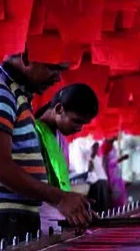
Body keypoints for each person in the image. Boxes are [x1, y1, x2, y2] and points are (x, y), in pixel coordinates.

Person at [0, 52, 92, 251]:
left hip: (9, 217)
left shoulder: (16, 94)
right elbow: (0, 168)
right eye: (52, 68)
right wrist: (60, 199)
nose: (58, 78)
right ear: (26, 58)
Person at [32, 83, 100, 233]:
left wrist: (78, 209)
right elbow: (31, 184)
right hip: (39, 221)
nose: (79, 128)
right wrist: (64, 202)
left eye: (83, 124)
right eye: (76, 121)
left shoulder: (60, 137)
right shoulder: (33, 134)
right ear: (59, 109)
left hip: (55, 219)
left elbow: (60, 185)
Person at [100, 136, 129, 208]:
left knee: (120, 195)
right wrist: (108, 182)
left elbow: (112, 161)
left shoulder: (112, 146)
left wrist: (121, 159)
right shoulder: (105, 147)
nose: (117, 135)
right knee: (115, 196)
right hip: (111, 177)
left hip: (116, 176)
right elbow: (104, 165)